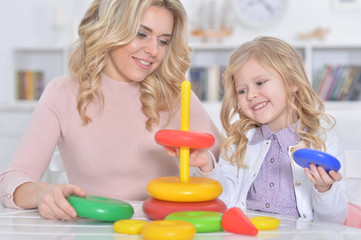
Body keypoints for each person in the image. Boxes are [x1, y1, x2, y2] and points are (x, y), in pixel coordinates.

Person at [0, 0, 222, 221]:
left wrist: (207, 164)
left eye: (163, 41)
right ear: (110, 30)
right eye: (141, 34)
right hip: (90, 229)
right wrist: (42, 193)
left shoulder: (176, 95)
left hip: (164, 229)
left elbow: (231, 167)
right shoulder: (63, 93)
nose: (153, 50)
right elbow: (12, 181)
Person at [191, 36, 348, 223]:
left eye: (260, 83)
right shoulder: (239, 142)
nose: (251, 95)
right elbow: (226, 200)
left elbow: (334, 221)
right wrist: (208, 167)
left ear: (292, 82)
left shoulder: (323, 142)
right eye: (242, 90)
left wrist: (325, 189)